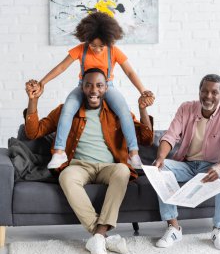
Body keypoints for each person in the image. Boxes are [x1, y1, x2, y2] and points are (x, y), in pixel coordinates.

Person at [25, 68, 153, 254]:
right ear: (81, 88)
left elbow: (146, 138)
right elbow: (33, 132)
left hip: (108, 167)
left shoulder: (118, 113)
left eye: (99, 85)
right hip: (78, 166)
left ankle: (98, 235)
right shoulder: (66, 111)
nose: (94, 90)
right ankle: (102, 235)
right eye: (89, 85)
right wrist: (33, 100)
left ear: (106, 88)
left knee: (122, 172)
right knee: (66, 176)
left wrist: (143, 109)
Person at [27, 12, 155, 170]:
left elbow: (130, 72)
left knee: (124, 111)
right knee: (68, 108)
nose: (97, 50)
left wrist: (143, 90)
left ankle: (134, 155)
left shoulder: (113, 51)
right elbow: (61, 67)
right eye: (93, 46)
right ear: (86, 39)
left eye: (102, 46)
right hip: (84, 86)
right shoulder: (81, 50)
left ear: (109, 41)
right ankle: (59, 152)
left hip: (107, 86)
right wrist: (42, 82)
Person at [153, 74, 220, 251]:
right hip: (186, 165)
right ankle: (173, 227)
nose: (208, 96)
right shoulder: (186, 108)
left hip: (212, 166)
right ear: (199, 92)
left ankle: (218, 229)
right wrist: (161, 158)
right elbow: (170, 135)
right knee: (159, 169)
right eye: (205, 91)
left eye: (214, 92)